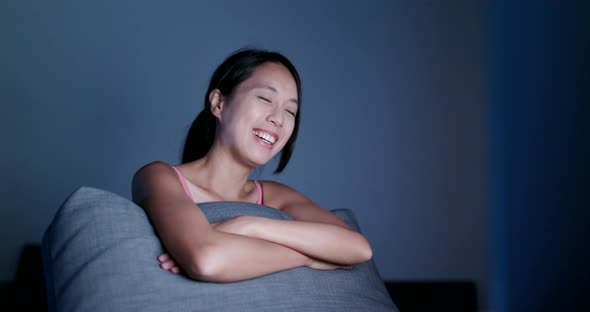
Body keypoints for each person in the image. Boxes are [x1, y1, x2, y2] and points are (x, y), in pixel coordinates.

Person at [131, 48, 372, 282]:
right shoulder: (159, 177)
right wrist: (308, 256)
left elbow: (357, 248)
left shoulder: (275, 195)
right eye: (265, 98)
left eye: (290, 111)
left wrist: (248, 225)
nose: (278, 118)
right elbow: (207, 260)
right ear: (218, 103)